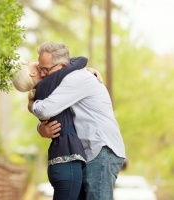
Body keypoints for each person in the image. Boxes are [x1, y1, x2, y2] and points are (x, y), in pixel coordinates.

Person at [29, 42, 126, 200]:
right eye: (40, 69)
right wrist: (41, 128)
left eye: (46, 69)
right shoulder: (68, 78)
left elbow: (46, 109)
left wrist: (32, 105)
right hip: (92, 150)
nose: (43, 74)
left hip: (102, 149)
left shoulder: (76, 79)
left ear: (62, 65)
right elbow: (58, 114)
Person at [12, 43, 100, 200]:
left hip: (62, 162)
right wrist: (87, 70)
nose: (33, 61)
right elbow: (79, 61)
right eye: (29, 64)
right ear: (32, 73)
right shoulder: (47, 85)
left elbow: (66, 70)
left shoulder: (43, 92)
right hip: (68, 161)